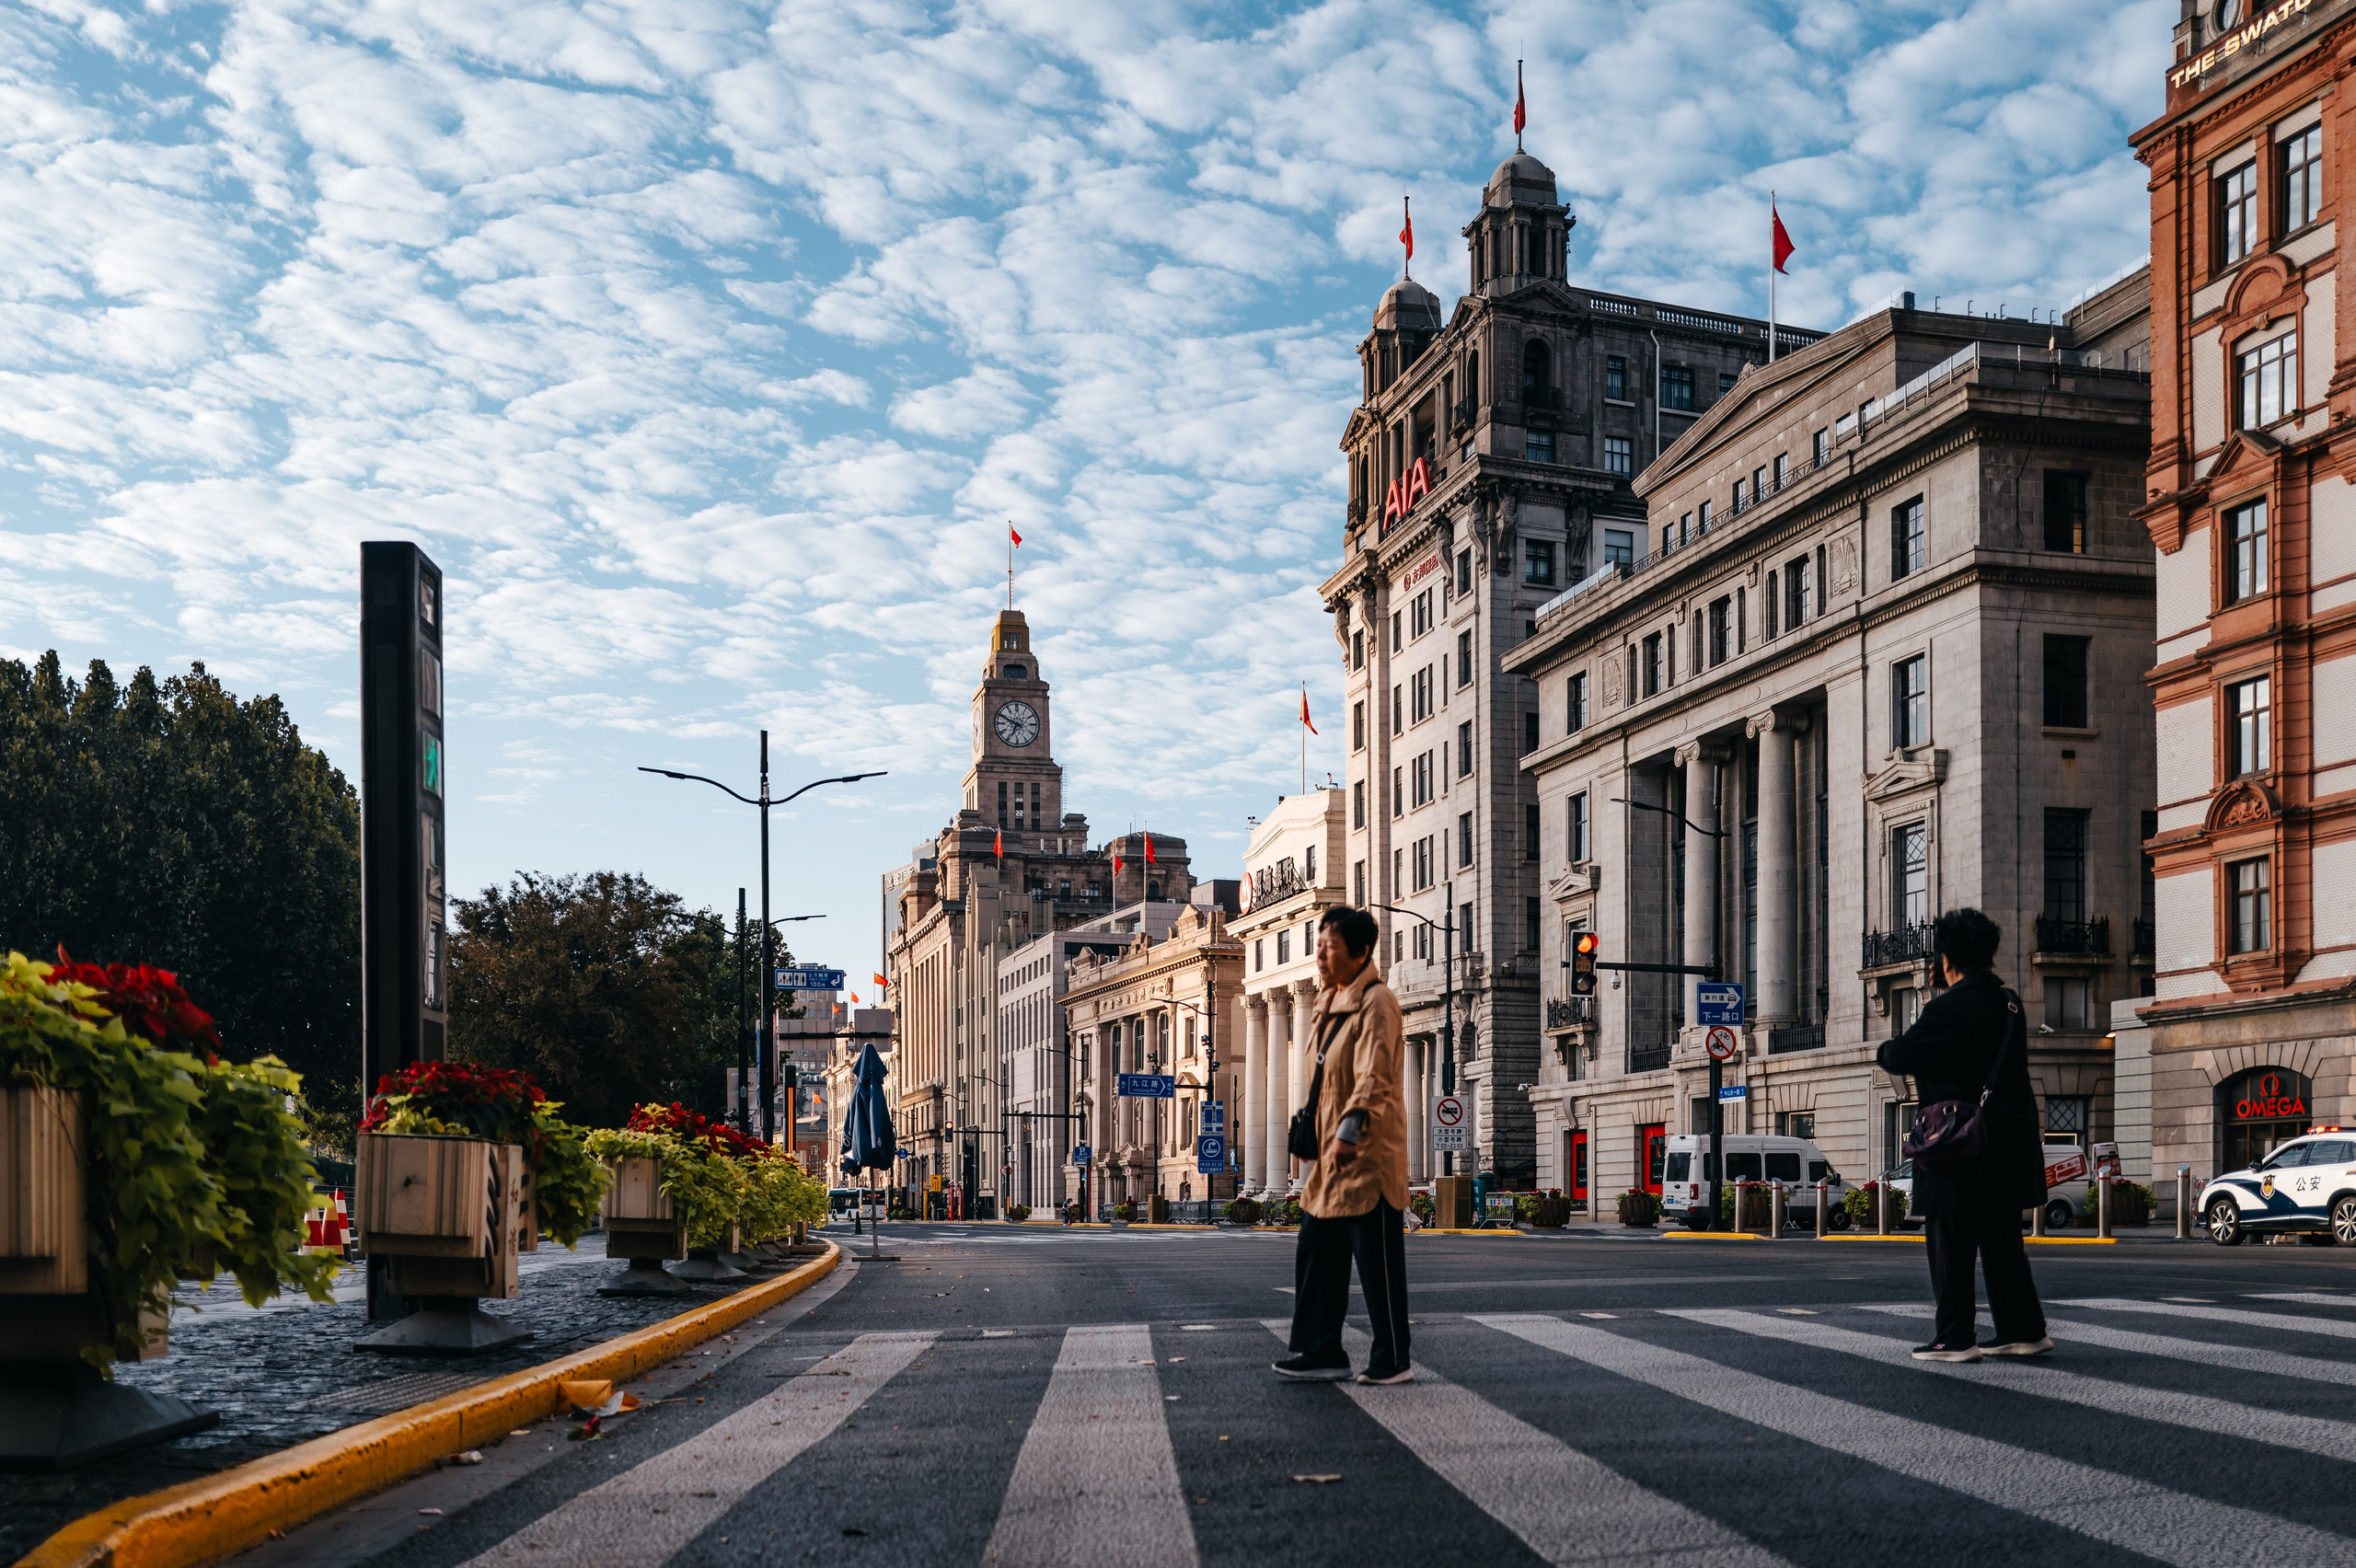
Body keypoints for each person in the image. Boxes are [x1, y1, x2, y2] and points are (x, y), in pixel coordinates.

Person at [1876, 907, 2050, 1362]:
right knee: (2002, 1242)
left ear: (1947, 959)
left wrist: (1891, 1045)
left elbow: (1898, 1055)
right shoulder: (2010, 1003)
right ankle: (2023, 1330)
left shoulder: (1948, 1007)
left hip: (1957, 1145)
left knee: (1950, 1240)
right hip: (2008, 1144)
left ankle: (1954, 1337)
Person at [1273, 905, 1413, 1386]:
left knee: (1378, 1264)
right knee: (1315, 1252)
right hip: (1333, 1161)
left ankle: (1393, 1358)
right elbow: (1323, 1084)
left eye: (1328, 948)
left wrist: (1348, 1132)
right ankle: (1321, 1350)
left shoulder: (1378, 1002)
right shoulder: (1328, 1005)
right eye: (1318, 947)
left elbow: (1374, 1077)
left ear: (1360, 952)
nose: (1319, 957)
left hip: (1368, 1156)